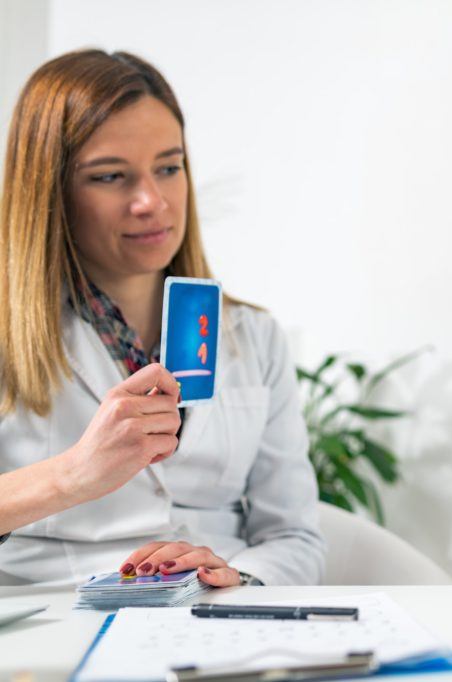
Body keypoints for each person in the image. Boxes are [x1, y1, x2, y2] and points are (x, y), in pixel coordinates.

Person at [0, 49, 325, 586]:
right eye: (110, 177)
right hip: (53, 631)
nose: (152, 200)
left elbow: (294, 536)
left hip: (215, 626)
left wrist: (240, 581)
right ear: (50, 191)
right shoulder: (12, 336)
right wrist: (72, 476)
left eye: (169, 168)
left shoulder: (254, 337)